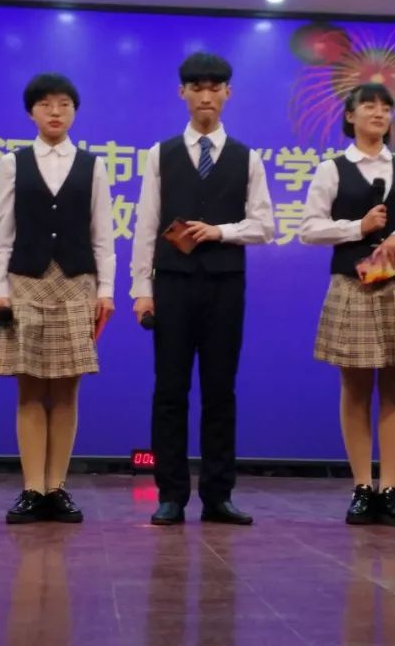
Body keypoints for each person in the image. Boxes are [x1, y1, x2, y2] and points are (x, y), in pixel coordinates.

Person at [130, 52, 275, 526]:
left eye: (215, 88)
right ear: (183, 93)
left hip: (225, 285)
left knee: (220, 391)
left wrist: (220, 231)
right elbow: (146, 225)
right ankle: (170, 494)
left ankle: (218, 495)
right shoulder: (161, 153)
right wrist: (141, 289)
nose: (206, 96)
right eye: (197, 88)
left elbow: (265, 225)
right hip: (171, 284)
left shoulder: (247, 157)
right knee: (169, 390)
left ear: (228, 93)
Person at [299, 83, 395, 526]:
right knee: (356, 388)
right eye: (369, 106)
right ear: (350, 116)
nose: (378, 113)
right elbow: (309, 229)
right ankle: (362, 487)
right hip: (352, 285)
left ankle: (391, 489)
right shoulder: (332, 170)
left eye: (385, 107)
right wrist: (357, 227)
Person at [0, 73, 115, 524]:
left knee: (66, 390)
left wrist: (106, 290)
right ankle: (31, 489)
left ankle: (57, 487)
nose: (55, 112)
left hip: (76, 283)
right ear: (31, 113)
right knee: (29, 389)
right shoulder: (12, 163)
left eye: (63, 104)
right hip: (26, 282)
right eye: (45, 104)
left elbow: (103, 235)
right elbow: (1, 234)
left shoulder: (92, 165)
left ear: (74, 111)